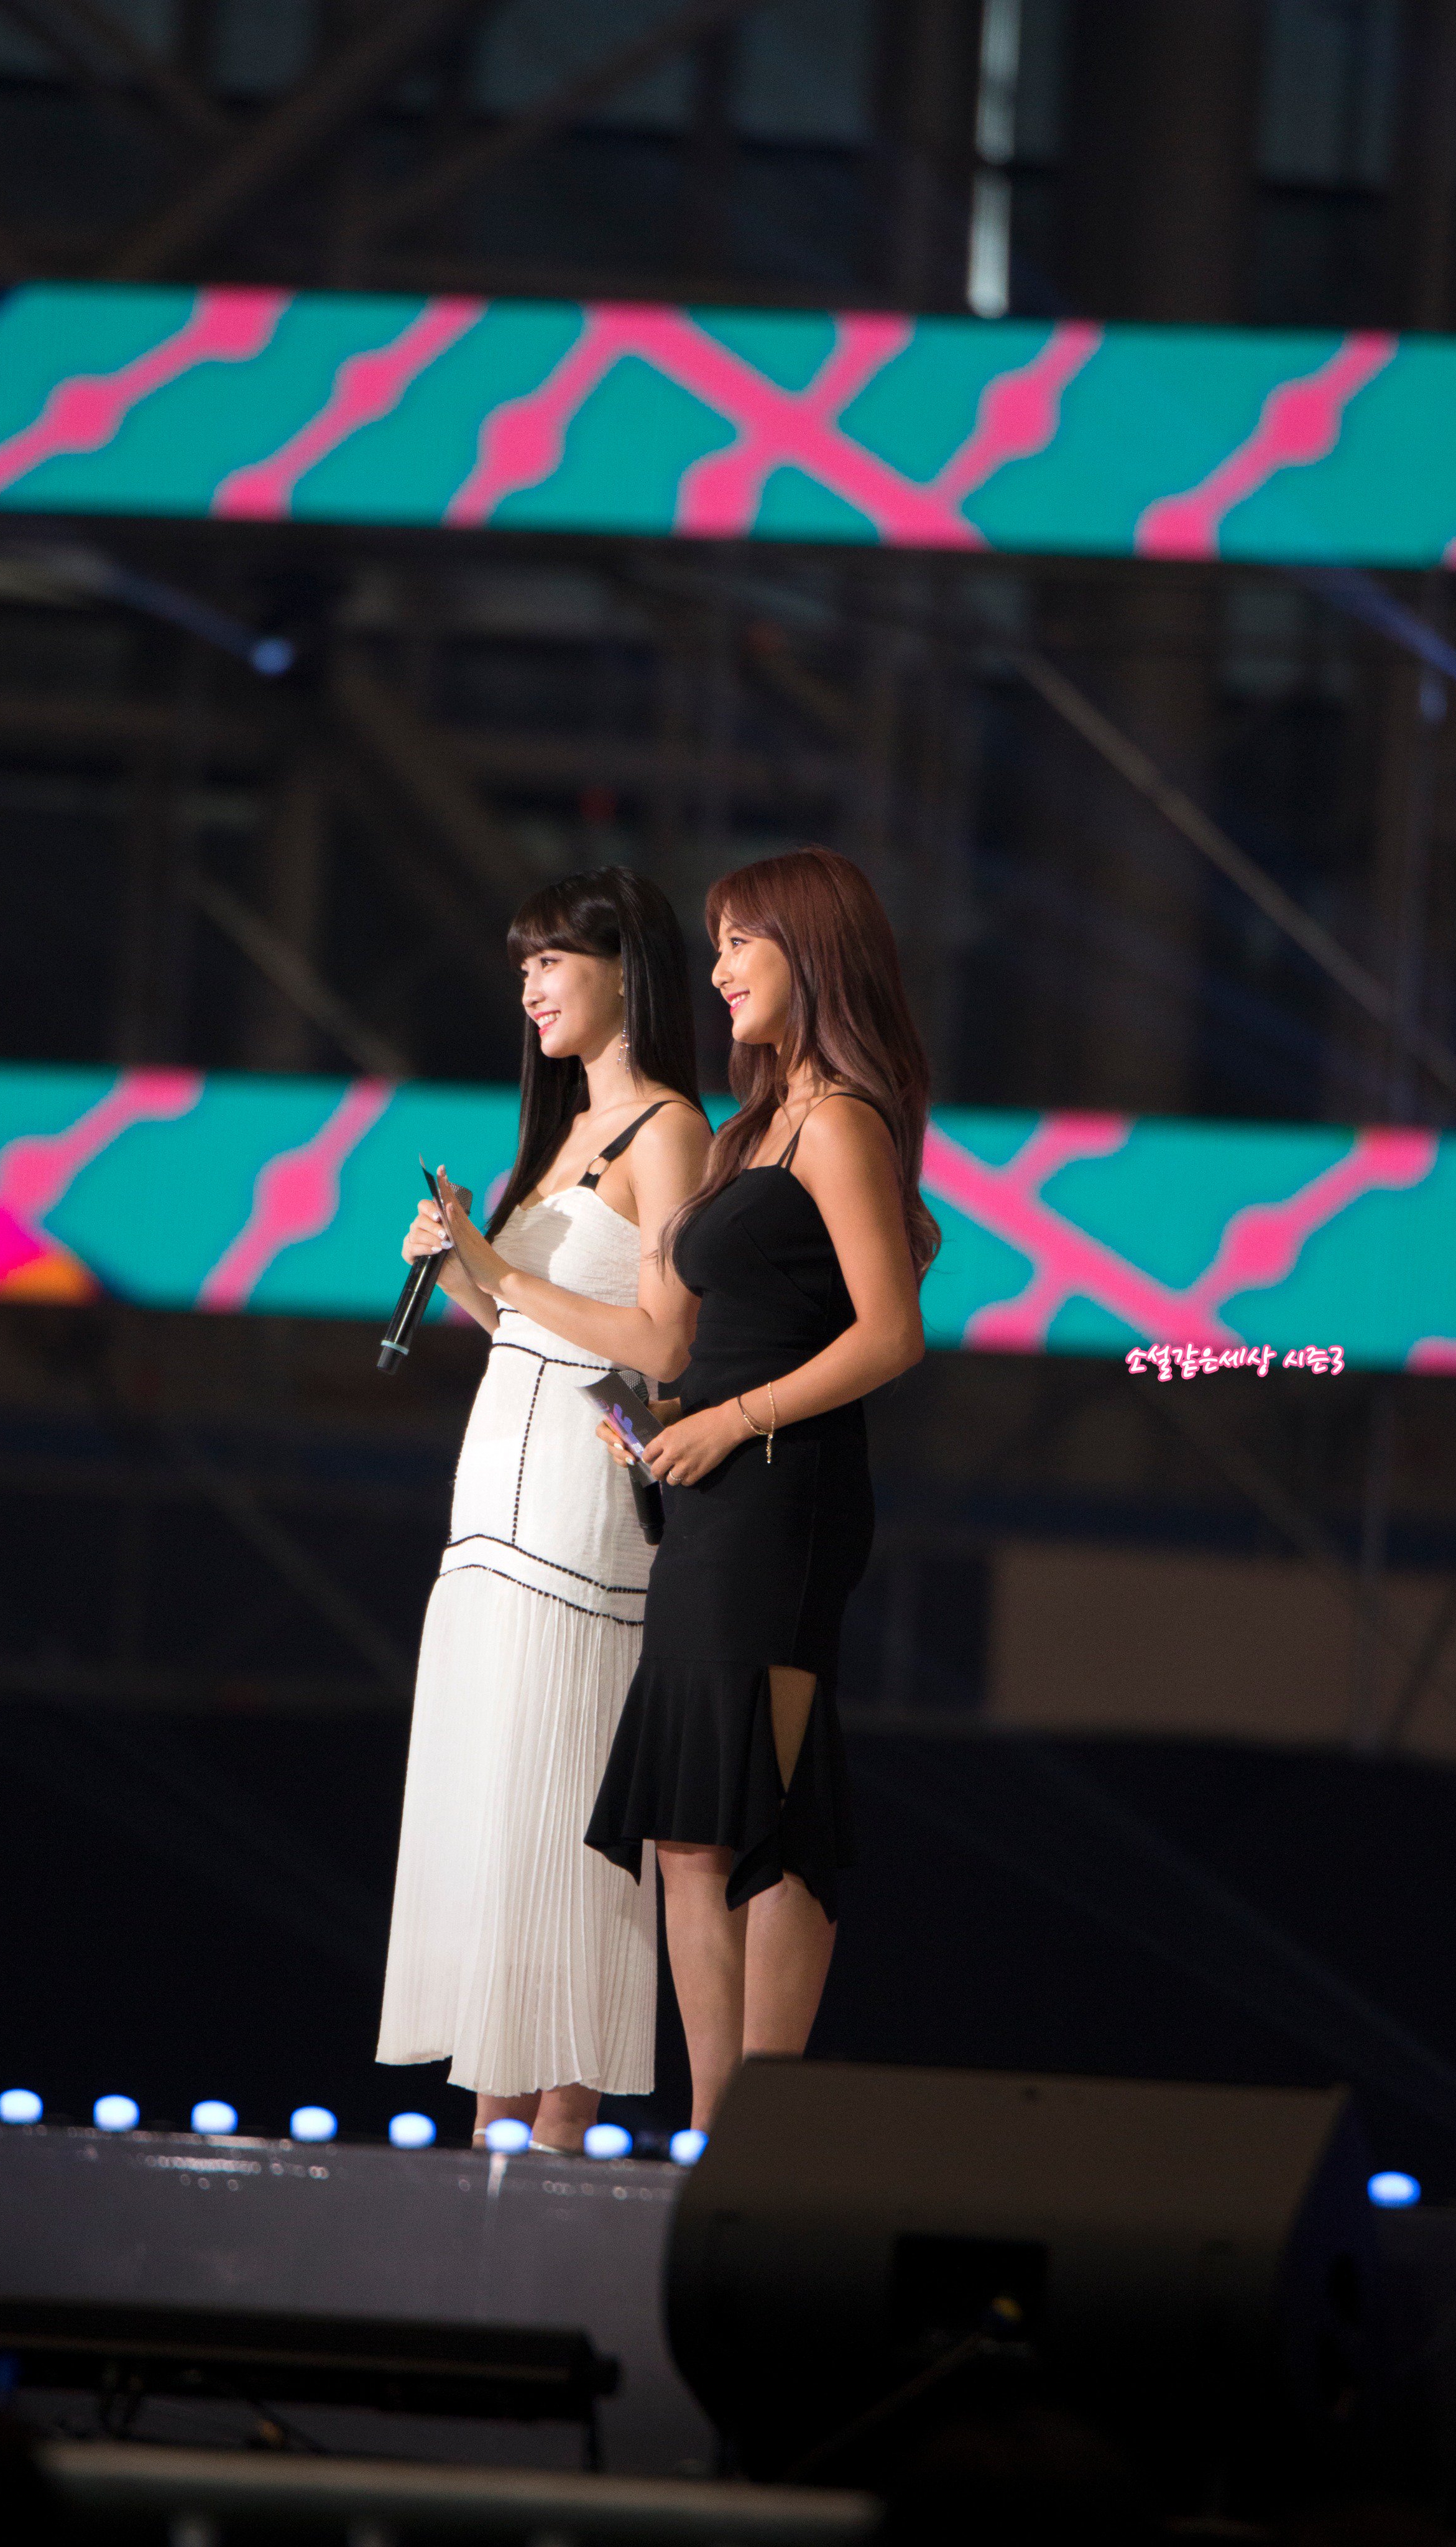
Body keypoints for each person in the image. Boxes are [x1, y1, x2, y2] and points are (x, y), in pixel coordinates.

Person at [584, 846, 936, 2131]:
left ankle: (749, 2131)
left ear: (813, 951)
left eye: (743, 941)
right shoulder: (752, 1128)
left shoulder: (840, 1119)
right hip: (713, 1495)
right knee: (690, 1826)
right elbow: (693, 1336)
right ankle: (714, 2118)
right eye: (718, 943)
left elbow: (889, 1334)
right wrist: (665, 1422)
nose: (720, 968)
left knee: (761, 1806)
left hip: (784, 1501)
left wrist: (731, 1420)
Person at [376, 867, 710, 2155]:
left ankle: (554, 2141)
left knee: (559, 1800)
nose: (529, 987)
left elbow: (662, 1345)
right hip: (491, 1499)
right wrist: (465, 1270)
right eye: (522, 965)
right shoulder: (563, 1128)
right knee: (492, 1801)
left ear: (627, 969)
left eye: (551, 961)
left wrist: (500, 1269)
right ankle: (490, 2134)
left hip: (578, 1502)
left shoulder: (669, 1129)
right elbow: (533, 1328)